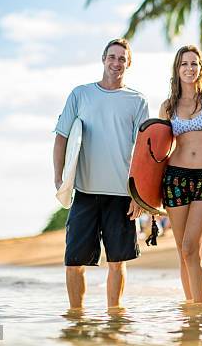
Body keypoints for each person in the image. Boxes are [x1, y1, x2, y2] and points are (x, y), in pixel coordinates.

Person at [53, 38, 149, 310]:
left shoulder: (137, 101)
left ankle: (115, 318)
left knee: (117, 261)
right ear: (103, 59)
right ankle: (76, 319)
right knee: (73, 261)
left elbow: (143, 152)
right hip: (85, 190)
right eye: (112, 57)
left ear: (128, 63)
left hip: (121, 193)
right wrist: (59, 179)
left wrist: (139, 196)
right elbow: (61, 138)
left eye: (122, 58)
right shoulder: (80, 94)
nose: (116, 63)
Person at [158, 45, 202, 304]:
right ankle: (191, 313)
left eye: (194, 63)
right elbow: (159, 152)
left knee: (191, 247)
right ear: (177, 69)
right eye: (184, 64)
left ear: (200, 68)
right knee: (182, 251)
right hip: (175, 178)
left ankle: (200, 309)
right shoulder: (168, 106)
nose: (189, 68)